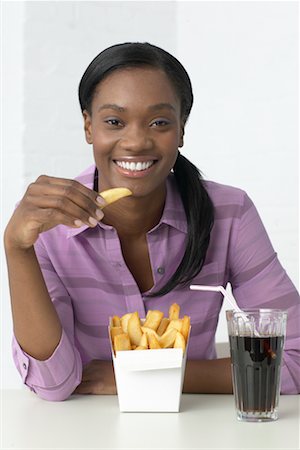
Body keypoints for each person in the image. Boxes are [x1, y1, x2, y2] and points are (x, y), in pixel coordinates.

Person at [4, 42, 300, 401]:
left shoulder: (229, 212)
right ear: (88, 127)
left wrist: (139, 375)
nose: (136, 141)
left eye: (159, 122)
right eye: (114, 121)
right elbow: (53, 383)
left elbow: (292, 361)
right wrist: (16, 247)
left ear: (181, 130)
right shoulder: (47, 225)